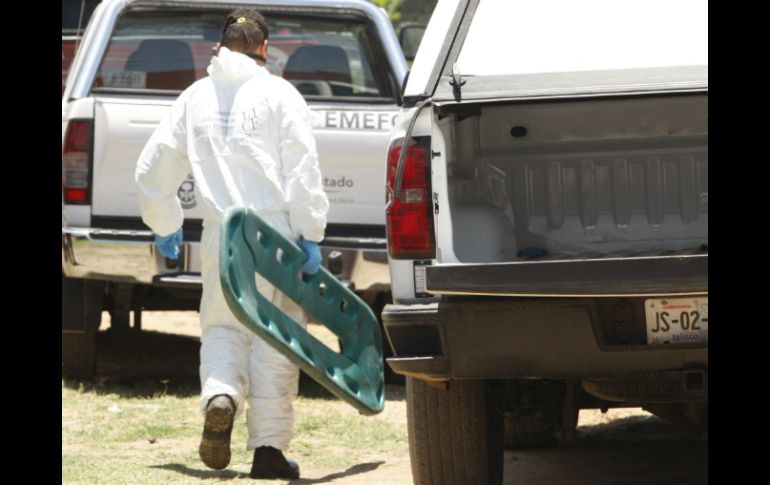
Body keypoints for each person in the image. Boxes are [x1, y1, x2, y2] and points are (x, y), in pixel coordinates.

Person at [135, 8, 329, 479]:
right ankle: (268, 451)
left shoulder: (195, 97)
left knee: (223, 327)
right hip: (275, 236)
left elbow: (152, 169)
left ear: (218, 46)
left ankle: (221, 394)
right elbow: (302, 171)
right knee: (276, 338)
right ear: (265, 48)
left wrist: (165, 222)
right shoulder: (282, 95)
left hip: (223, 235)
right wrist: (310, 234)